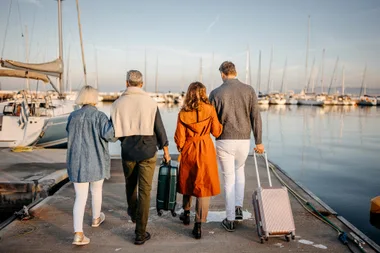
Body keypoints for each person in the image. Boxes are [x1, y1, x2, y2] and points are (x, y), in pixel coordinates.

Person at [111, 70, 171, 245]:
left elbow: (114, 132)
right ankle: (140, 233)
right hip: (147, 150)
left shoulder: (117, 103)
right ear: (142, 84)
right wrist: (166, 151)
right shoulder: (150, 102)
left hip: (128, 149)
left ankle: (133, 211)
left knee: (130, 185)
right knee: (145, 191)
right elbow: (159, 128)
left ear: (127, 83)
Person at [209, 61, 264, 232]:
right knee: (239, 171)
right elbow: (256, 117)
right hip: (244, 140)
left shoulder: (216, 93)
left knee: (228, 178)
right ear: (236, 72)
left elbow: (211, 119)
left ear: (222, 74)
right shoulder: (249, 90)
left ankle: (230, 218)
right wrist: (259, 141)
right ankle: (238, 207)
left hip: (224, 139)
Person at [66, 85, 116, 245]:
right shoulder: (99, 117)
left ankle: (78, 234)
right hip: (96, 161)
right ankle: (95, 218)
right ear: (94, 98)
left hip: (76, 161)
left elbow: (69, 133)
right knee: (96, 191)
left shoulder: (72, 116)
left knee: (80, 197)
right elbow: (111, 136)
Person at [174, 82, 223, 239]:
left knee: (188, 180)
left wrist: (181, 148)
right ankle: (198, 225)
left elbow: (179, 138)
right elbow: (216, 131)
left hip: (189, 147)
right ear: (203, 93)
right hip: (206, 149)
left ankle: (186, 213)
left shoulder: (183, 113)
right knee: (203, 185)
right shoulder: (210, 109)